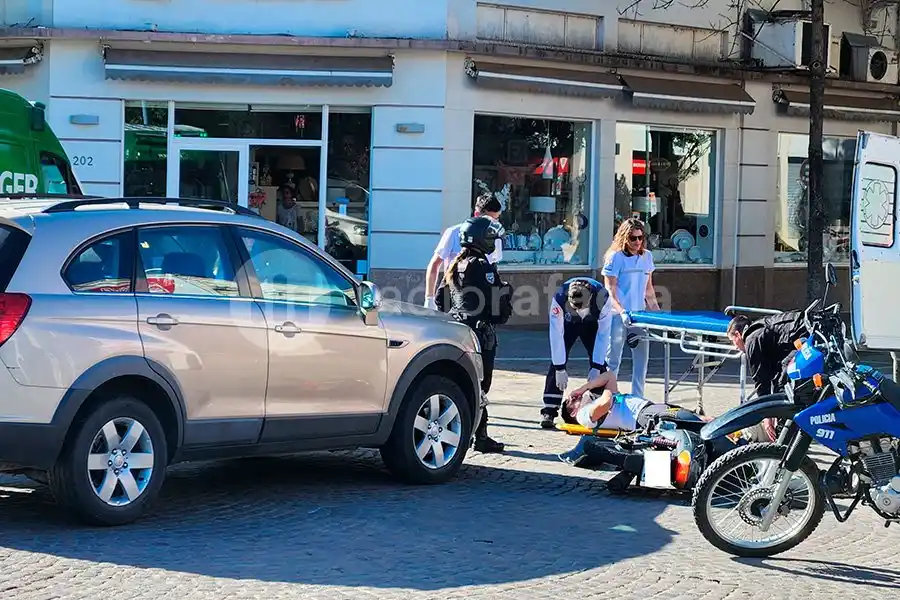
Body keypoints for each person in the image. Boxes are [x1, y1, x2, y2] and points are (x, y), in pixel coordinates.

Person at [445, 216, 513, 453]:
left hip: (457, 330)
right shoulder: (482, 266)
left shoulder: (456, 264)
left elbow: (442, 299)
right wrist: (506, 293)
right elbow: (496, 309)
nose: (493, 240)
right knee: (481, 386)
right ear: (481, 239)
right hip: (479, 333)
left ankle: (474, 432)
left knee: (464, 382)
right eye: (490, 236)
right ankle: (480, 436)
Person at [539, 277, 613, 430]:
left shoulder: (603, 298)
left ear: (591, 297)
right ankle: (549, 411)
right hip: (568, 324)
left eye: (581, 307)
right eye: (575, 307)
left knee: (601, 369)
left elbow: (603, 335)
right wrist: (560, 367)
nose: (578, 311)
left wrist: (596, 365)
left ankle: (601, 409)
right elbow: (556, 335)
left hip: (592, 324)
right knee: (556, 365)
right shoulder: (559, 298)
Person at [726, 309, 807, 440]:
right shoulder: (759, 330)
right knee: (781, 385)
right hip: (803, 333)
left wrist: (767, 417)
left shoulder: (751, 340)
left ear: (737, 334)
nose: (735, 347)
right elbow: (772, 374)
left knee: (784, 388)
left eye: (732, 341)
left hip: (802, 337)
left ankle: (785, 437)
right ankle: (791, 431)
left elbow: (761, 381)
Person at [602, 218, 659, 399]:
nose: (637, 242)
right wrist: (621, 311)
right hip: (618, 315)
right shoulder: (615, 257)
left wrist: (658, 315)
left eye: (640, 238)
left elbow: (648, 290)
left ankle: (638, 399)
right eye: (633, 238)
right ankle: (607, 397)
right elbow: (610, 291)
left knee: (642, 361)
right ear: (625, 238)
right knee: (613, 359)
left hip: (639, 315)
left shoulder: (646, 256)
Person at [424, 193, 503, 311]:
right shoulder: (455, 232)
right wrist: (429, 299)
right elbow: (435, 264)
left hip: (480, 298)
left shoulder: (493, 237)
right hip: (454, 295)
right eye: (490, 219)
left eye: (496, 219)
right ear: (477, 214)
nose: (494, 224)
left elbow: (492, 268)